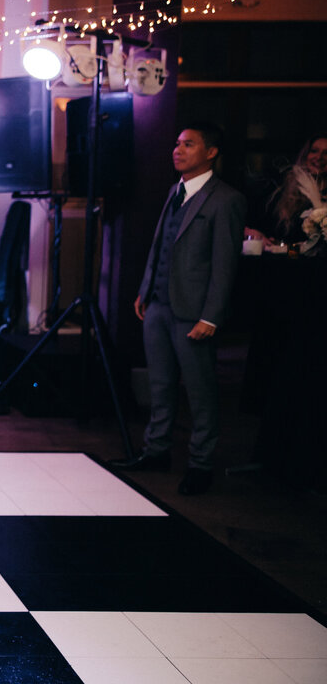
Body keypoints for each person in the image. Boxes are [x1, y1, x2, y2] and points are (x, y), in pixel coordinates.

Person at [113, 122, 246, 496]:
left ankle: (200, 463)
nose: (178, 150)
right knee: (160, 385)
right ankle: (156, 451)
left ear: (211, 153)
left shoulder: (226, 199)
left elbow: (225, 265)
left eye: (189, 144)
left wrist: (211, 316)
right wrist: (144, 289)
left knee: (201, 391)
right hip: (157, 304)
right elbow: (160, 245)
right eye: (177, 144)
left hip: (193, 312)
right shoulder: (176, 191)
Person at [262, 133, 327, 252]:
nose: (319, 157)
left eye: (326, 153)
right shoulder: (284, 191)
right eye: (314, 151)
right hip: (288, 261)